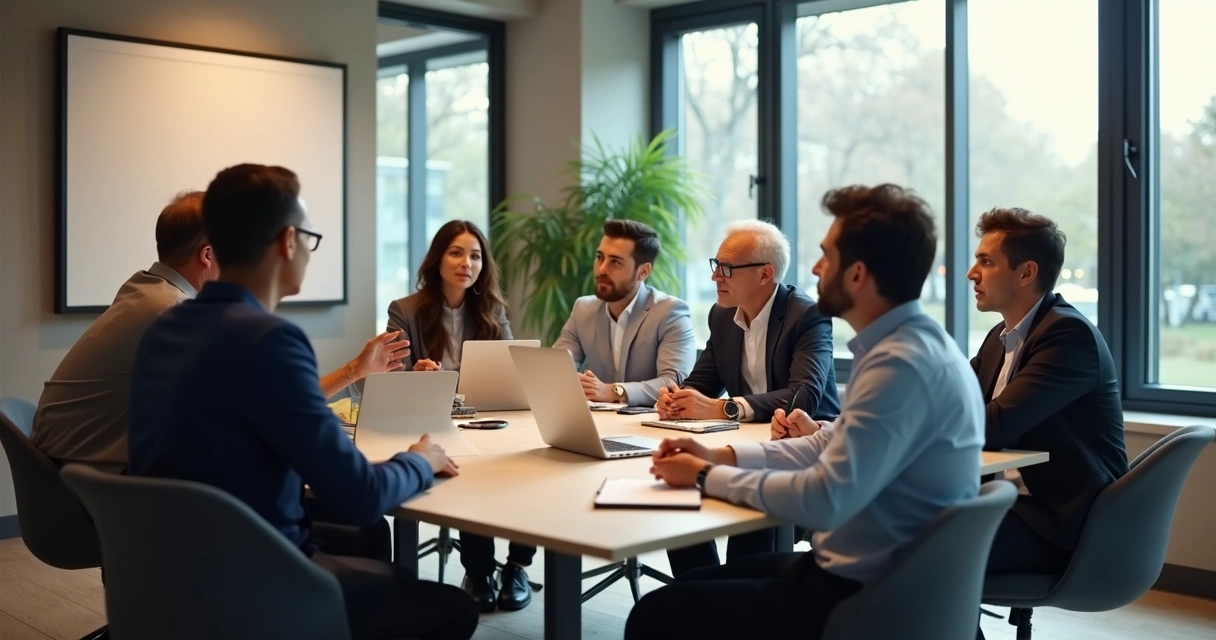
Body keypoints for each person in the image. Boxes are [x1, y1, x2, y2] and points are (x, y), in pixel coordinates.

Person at [128, 164, 478, 640]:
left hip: (173, 575)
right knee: (452, 608)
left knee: (371, 537)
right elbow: (360, 496)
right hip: (260, 582)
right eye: (309, 238)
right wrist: (420, 459)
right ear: (287, 242)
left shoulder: (162, 331)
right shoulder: (269, 340)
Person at [625, 183, 986, 640]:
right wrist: (719, 456)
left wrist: (702, 477)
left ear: (856, 274)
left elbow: (822, 499)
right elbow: (823, 441)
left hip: (867, 596)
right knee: (693, 587)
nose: (815, 268)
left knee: (656, 615)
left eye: (826, 256)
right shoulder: (910, 347)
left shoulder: (900, 365)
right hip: (882, 577)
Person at [32, 190, 408, 473]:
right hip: (92, 482)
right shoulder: (176, 312)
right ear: (209, 256)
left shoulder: (145, 290)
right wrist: (355, 369)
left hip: (65, 468)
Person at [657, 219, 841, 577]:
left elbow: (803, 395)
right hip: (742, 442)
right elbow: (702, 383)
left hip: (803, 443)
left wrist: (725, 408)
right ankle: (704, 593)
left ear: (764, 274)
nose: (715, 277)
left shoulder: (808, 315)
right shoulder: (722, 315)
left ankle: (736, 597)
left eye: (726, 268)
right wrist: (678, 399)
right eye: (715, 265)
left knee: (748, 539)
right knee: (673, 495)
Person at [966, 209, 1127, 581]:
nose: (971, 274)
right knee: (897, 531)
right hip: (1009, 505)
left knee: (922, 547)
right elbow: (950, 404)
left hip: (1060, 525)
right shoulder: (998, 339)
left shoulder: (1069, 336)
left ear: (1026, 273)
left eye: (985, 262)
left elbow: (989, 426)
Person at [384, 220, 532, 614]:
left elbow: (511, 376)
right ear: (438, 259)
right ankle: (479, 572)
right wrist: (415, 377)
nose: (466, 262)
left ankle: (517, 567)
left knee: (535, 457)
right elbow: (390, 377)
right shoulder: (405, 310)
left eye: (475, 255)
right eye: (456, 252)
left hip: (485, 419)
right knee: (470, 468)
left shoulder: (492, 311)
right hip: (431, 423)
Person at [552, 219, 696, 406]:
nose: (602, 269)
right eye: (600, 257)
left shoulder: (670, 312)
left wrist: (611, 391)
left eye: (615, 262)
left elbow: (672, 383)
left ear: (643, 272)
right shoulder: (583, 309)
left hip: (650, 425)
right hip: (598, 422)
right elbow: (556, 368)